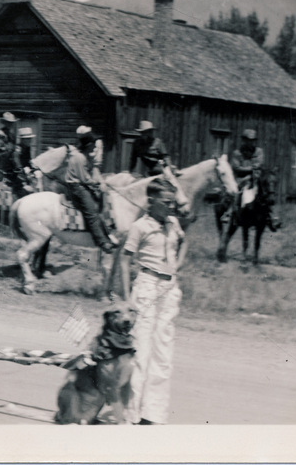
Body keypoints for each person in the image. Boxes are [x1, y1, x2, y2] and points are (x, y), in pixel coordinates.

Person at [120, 179, 186, 425]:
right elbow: (125, 260)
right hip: (147, 287)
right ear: (151, 201)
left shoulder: (173, 223)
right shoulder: (140, 226)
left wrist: (177, 265)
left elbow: (184, 241)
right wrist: (127, 297)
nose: (171, 206)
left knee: (163, 352)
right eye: (166, 202)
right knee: (141, 351)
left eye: (172, 201)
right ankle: (130, 412)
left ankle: (153, 413)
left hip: (169, 289)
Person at [64, 126, 117, 254]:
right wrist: (97, 184)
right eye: (93, 145)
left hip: (80, 184)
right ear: (88, 145)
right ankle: (102, 242)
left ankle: (107, 233)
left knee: (99, 203)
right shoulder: (79, 157)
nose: (95, 148)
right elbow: (84, 179)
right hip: (77, 187)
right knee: (92, 212)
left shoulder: (83, 156)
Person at [228, 129, 279, 229]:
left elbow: (259, 164)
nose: (250, 142)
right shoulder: (237, 153)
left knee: (266, 191)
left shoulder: (259, 151)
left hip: (256, 178)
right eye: (248, 140)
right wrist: (251, 168)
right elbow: (237, 168)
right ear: (244, 140)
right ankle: (230, 213)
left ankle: (272, 217)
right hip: (241, 179)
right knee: (237, 192)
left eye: (252, 140)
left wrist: (251, 169)